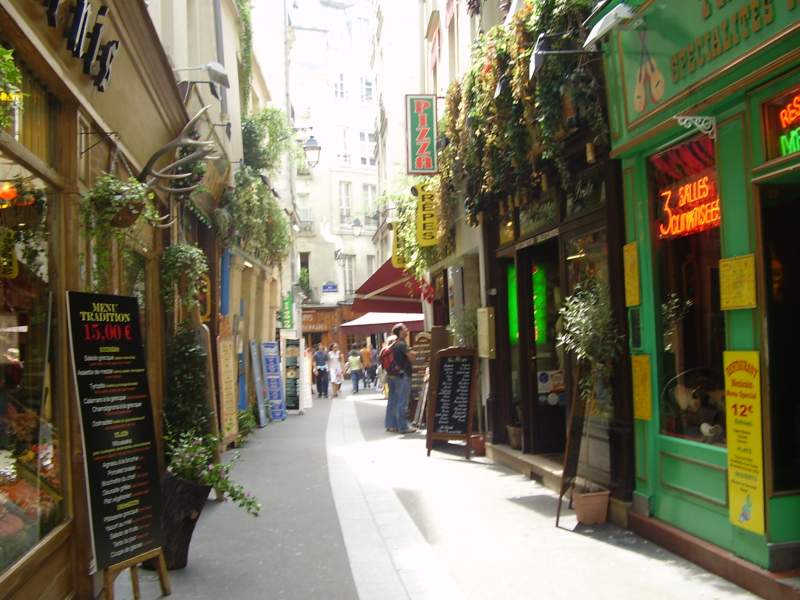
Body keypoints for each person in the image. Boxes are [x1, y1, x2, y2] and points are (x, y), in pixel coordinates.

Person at [389, 324, 416, 434]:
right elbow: (412, 358)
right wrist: (413, 353)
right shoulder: (402, 344)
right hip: (403, 375)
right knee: (403, 402)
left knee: (396, 401)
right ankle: (403, 427)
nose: (407, 330)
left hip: (396, 375)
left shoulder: (395, 343)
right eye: (405, 328)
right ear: (400, 332)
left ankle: (394, 425)